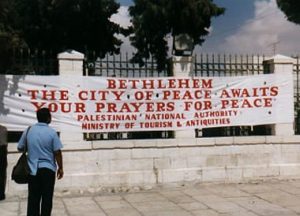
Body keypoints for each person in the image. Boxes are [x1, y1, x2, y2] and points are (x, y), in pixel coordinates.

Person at [18, 108, 63, 216]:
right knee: (47, 198)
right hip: (48, 170)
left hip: (32, 169)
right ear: (48, 118)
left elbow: (20, 147)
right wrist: (61, 168)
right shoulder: (52, 132)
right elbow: (57, 152)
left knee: (33, 198)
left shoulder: (29, 130)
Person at [0, 124, 8, 201]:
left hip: (2, 149)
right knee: (2, 173)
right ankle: (1, 193)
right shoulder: (4, 129)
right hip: (2, 151)